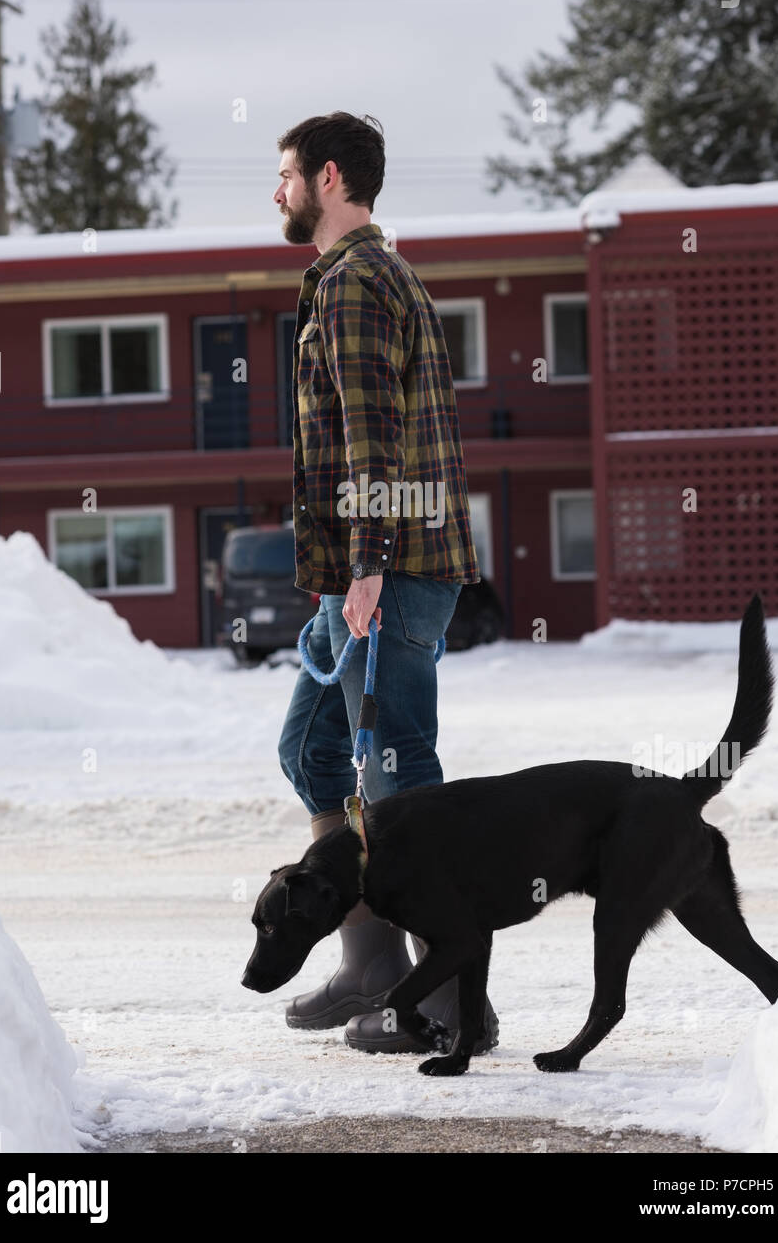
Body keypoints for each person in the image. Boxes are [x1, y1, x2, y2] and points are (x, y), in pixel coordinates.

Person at [273, 111, 496, 1053]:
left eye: (283, 175)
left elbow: (375, 438)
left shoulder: (360, 283)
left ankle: (451, 1006)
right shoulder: (353, 278)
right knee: (314, 755)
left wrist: (367, 561)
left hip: (388, 575)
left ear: (328, 179)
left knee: (397, 779)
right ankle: (373, 964)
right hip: (356, 582)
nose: (275, 191)